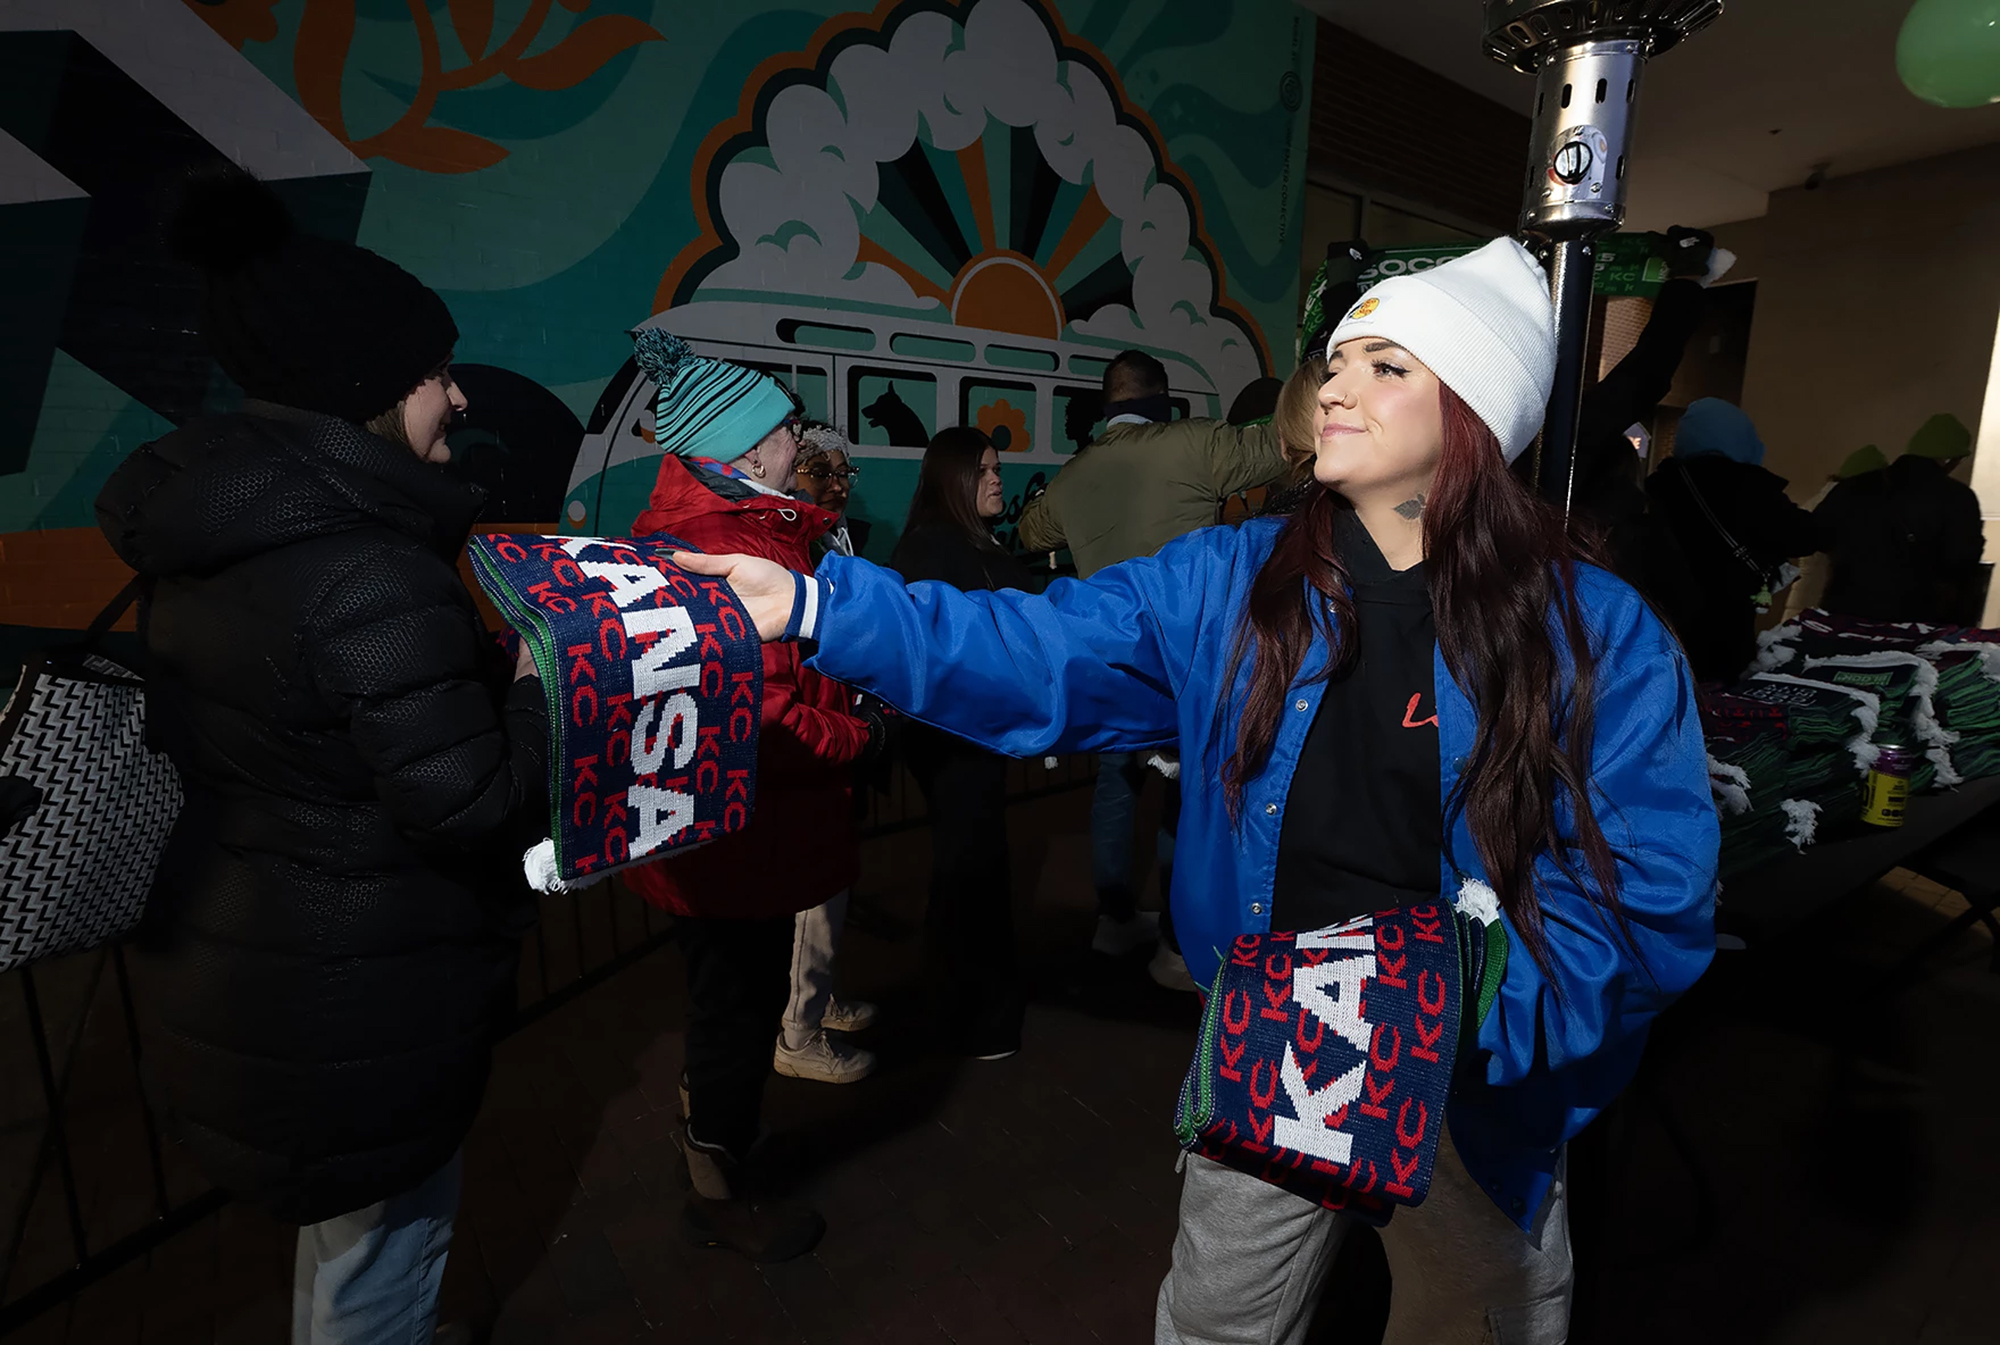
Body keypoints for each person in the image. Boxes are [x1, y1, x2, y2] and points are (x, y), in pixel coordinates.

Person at [673, 237, 1717, 1344]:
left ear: (1471, 412)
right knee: (1215, 1324)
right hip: (1268, 1045)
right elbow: (1036, 645)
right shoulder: (1232, 580)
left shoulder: (1589, 634)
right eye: (1338, 358)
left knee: (1474, 1320)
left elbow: (1645, 893)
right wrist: (823, 611)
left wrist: (1463, 1017)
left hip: (1475, 1087)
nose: (1335, 385)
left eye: (1386, 365)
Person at [95, 173, 547, 1344]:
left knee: (350, 1246)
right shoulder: (369, 573)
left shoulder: (225, 534)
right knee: (387, 1252)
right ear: (363, 387)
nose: (454, 396)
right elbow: (468, 800)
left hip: (268, 956)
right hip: (363, 984)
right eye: (434, 371)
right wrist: (549, 686)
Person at [619, 330, 879, 1262]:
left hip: (714, 835)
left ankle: (717, 1131)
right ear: (743, 450)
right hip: (741, 836)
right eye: (784, 426)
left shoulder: (700, 527)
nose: (797, 439)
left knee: (724, 999)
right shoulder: (725, 545)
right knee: (736, 1006)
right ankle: (720, 1186)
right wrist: (862, 731)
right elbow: (759, 714)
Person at [1017, 349, 1287, 982]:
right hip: (1188, 663)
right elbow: (1283, 449)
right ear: (1161, 399)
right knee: (1185, 798)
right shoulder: (1194, 446)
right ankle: (1173, 943)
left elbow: (1032, 533)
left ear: (1107, 405)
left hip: (1110, 663)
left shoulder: (1077, 475)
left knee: (1117, 788)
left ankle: (1114, 920)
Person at [888, 427, 1038, 1058]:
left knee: (970, 865)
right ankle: (972, 1017)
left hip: (970, 734)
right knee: (970, 870)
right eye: (985, 470)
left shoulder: (964, 546)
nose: (998, 479)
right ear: (954, 480)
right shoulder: (932, 552)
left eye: (998, 468)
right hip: (953, 736)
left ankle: (962, 1009)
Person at [1644, 398, 1821, 680]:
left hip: (1662, 625)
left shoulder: (1661, 484)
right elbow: (1805, 537)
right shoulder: (1748, 487)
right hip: (1725, 628)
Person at [1817, 413, 1986, 624]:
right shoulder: (1957, 497)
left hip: (1842, 609)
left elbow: (1818, 536)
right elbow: (1962, 559)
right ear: (1950, 458)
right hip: (1913, 617)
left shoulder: (1853, 486)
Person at [795, 423, 871, 560]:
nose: (837, 487)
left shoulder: (857, 538)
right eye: (820, 474)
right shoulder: (782, 546)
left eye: (842, 474)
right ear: (789, 476)